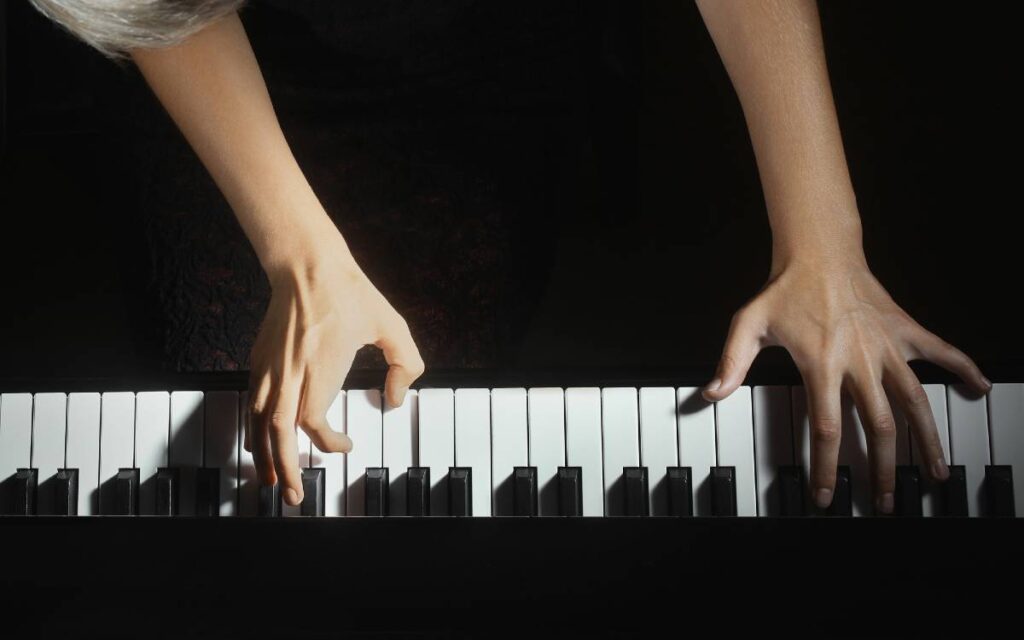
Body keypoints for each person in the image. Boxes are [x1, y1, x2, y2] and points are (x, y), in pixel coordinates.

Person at [28, 0, 991, 513]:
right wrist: (301, 257)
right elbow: (152, 6)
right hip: (237, 50)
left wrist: (824, 242)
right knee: (244, 404)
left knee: (434, 381)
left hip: (487, 50)